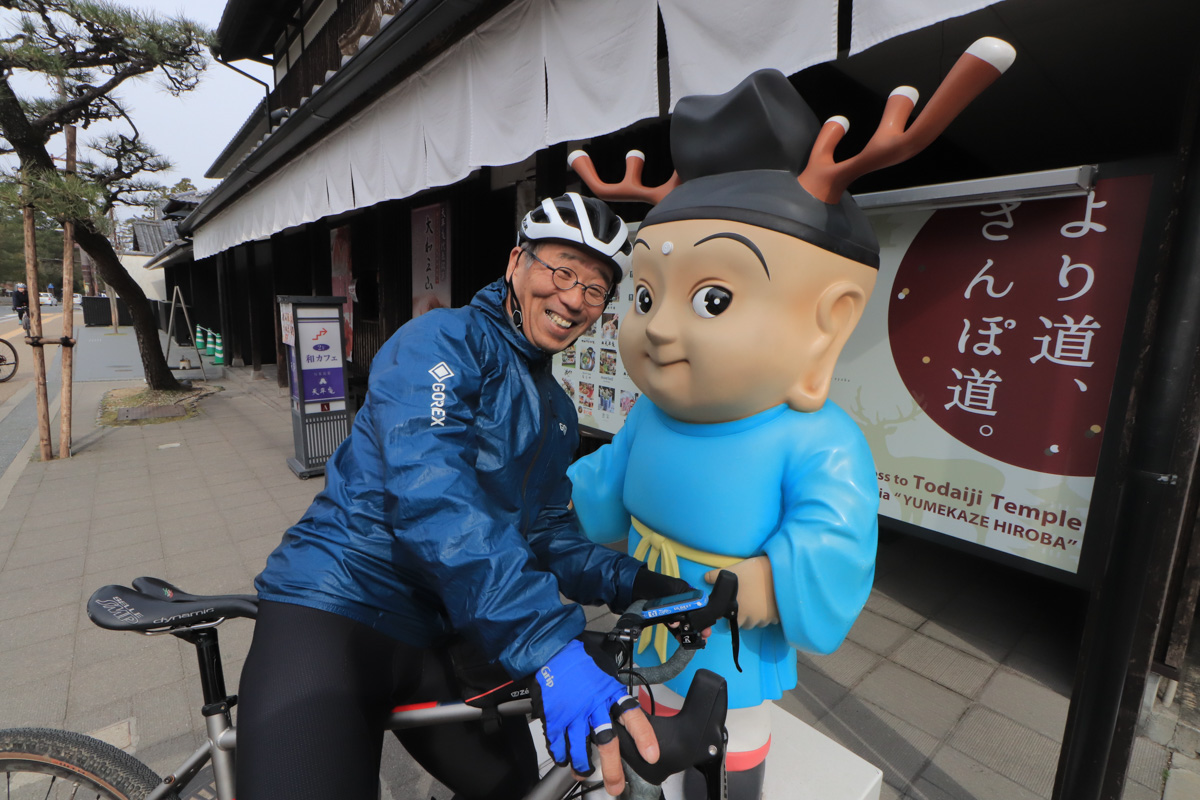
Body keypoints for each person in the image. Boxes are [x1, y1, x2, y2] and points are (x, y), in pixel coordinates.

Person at [567, 41, 1013, 800]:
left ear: (828, 323)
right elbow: (599, 489)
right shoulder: (648, 418)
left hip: (729, 642)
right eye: (644, 297)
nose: (657, 329)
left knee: (726, 752)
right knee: (640, 738)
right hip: (645, 616)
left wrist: (752, 584)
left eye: (713, 298)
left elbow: (832, 542)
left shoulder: (816, 440)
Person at [237, 193, 692, 800]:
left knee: (518, 791)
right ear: (515, 264)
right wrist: (549, 642)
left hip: (444, 631)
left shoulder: (556, 409)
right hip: (337, 601)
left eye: (594, 288)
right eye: (561, 271)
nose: (574, 299)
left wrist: (635, 581)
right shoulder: (441, 346)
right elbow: (432, 492)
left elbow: (546, 532)